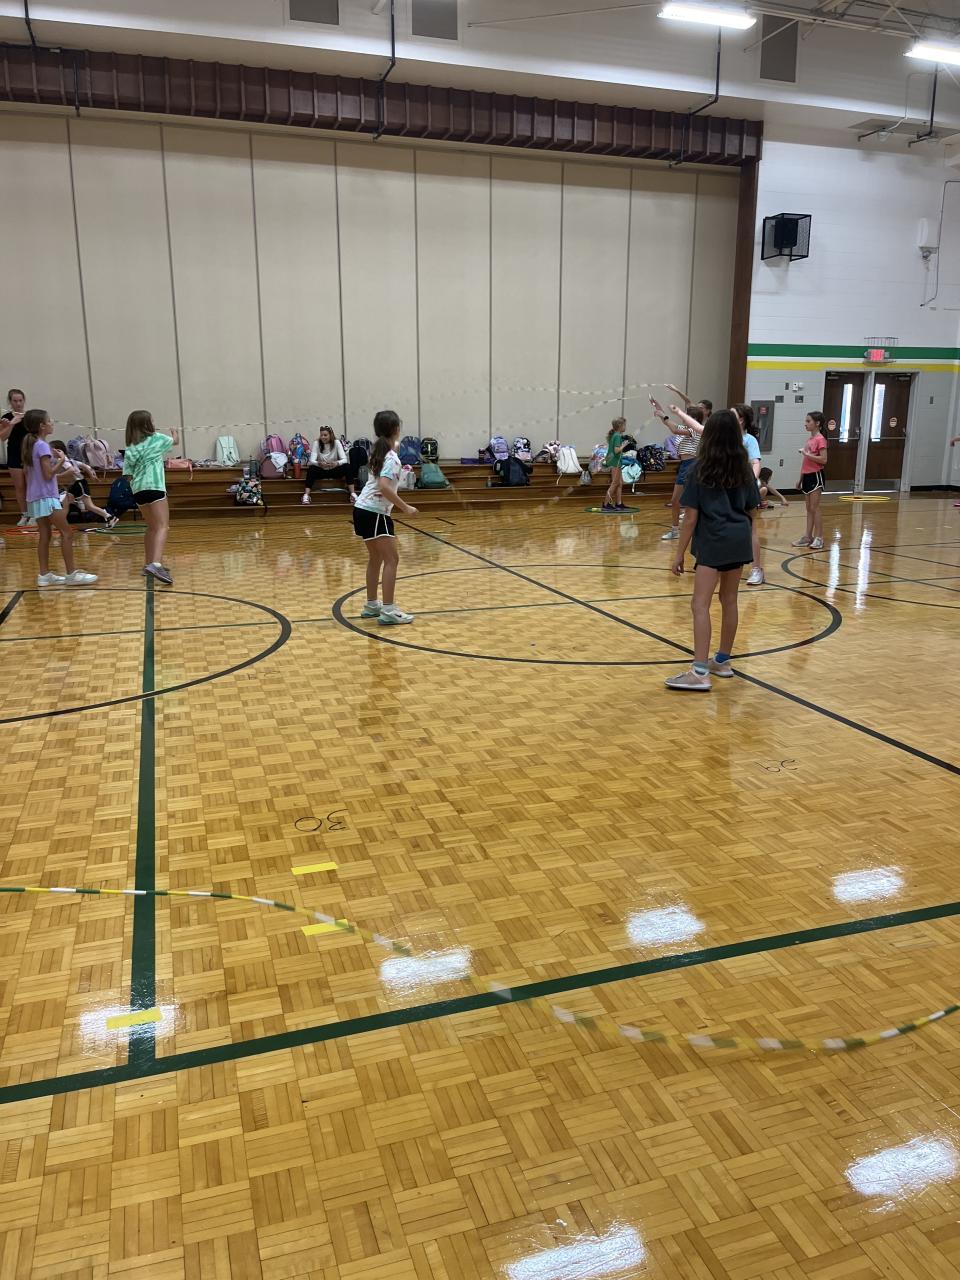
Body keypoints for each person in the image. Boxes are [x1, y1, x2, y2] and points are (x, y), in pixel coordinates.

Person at [665, 409, 759, 692]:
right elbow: (752, 510)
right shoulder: (744, 468)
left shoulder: (699, 469)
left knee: (700, 604)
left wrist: (679, 553)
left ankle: (699, 672)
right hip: (738, 538)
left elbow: (690, 518)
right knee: (729, 600)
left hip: (714, 539)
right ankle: (722, 661)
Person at [353, 409, 418, 625]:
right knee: (392, 559)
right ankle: (389, 610)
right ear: (397, 429)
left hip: (361, 509)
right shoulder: (391, 458)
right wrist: (405, 507)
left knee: (376, 558)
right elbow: (384, 487)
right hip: (375, 512)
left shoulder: (379, 453)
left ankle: (372, 605)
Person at [21, 409, 97, 586]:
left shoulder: (32, 445)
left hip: (35, 497)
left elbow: (34, 474)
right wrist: (62, 462)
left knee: (45, 535)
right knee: (67, 533)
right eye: (49, 420)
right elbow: (48, 475)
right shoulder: (41, 446)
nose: (52, 423)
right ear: (42, 426)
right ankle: (71, 574)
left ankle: (44, 574)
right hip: (47, 497)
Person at [122, 410, 179, 585]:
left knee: (152, 527)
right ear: (147, 424)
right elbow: (175, 442)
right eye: (152, 421)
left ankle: (147, 564)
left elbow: (127, 475)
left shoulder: (130, 448)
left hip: (138, 490)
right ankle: (156, 564)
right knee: (163, 526)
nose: (154, 423)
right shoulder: (156, 438)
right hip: (155, 486)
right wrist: (175, 432)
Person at [652, 397, 702, 541]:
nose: (683, 418)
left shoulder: (694, 430)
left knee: (691, 501)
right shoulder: (685, 429)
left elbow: (673, 428)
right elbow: (669, 424)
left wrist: (664, 416)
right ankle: (675, 530)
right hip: (684, 465)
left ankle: (696, 530)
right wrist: (659, 408)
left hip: (692, 465)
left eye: (686, 416)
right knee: (675, 501)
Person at [732, 404, 764, 586]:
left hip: (743, 489)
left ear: (741, 419)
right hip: (727, 490)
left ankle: (757, 569)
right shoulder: (726, 438)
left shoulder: (749, 440)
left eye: (732, 414)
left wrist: (752, 481)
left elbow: (755, 462)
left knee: (751, 528)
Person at [51, 440, 118, 527]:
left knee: (89, 506)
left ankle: (109, 516)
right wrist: (91, 475)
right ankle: (60, 523)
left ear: (57, 450)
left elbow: (71, 470)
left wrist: (57, 476)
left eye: (50, 450)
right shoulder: (68, 459)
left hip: (79, 483)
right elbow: (84, 465)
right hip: (74, 484)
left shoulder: (62, 460)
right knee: (65, 503)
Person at [793, 411, 828, 550]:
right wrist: (800, 479)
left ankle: (819, 537)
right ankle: (808, 537)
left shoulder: (820, 439)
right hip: (807, 476)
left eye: (808, 421)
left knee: (815, 507)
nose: (805, 424)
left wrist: (807, 454)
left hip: (816, 476)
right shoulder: (809, 440)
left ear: (817, 423)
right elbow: (805, 461)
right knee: (808, 508)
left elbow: (824, 460)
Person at [0, 388, 31, 526]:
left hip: (29, 455)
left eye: (20, 400)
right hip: (14, 454)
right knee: (20, 487)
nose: (18, 403)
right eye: (15, 401)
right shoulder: (6, 417)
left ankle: (34, 514)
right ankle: (24, 514)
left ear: (24, 401)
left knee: (31, 486)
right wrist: (12, 423)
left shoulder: (29, 416)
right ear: (10, 402)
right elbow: (3, 437)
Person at [302, 427, 351, 505]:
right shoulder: (316, 443)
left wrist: (336, 463)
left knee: (347, 467)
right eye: (321, 435)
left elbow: (344, 459)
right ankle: (306, 495)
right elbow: (311, 461)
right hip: (322, 470)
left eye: (325, 435)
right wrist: (319, 463)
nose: (323, 437)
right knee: (311, 469)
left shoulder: (337, 442)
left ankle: (352, 494)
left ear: (330, 435)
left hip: (334, 469)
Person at [602, 417, 627, 512]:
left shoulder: (616, 435)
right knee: (615, 483)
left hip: (617, 461)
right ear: (620, 426)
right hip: (615, 462)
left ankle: (619, 503)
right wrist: (624, 445)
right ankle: (606, 504)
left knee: (620, 483)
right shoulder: (617, 436)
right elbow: (616, 450)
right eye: (624, 425)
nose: (625, 427)